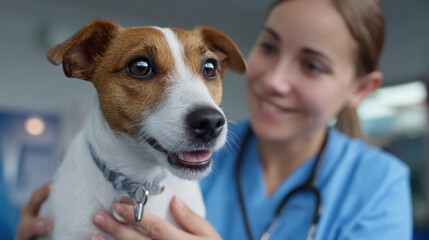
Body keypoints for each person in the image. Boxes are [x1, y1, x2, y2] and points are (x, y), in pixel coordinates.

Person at [16, 0, 412, 239]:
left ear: (360, 89)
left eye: (312, 65)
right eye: (269, 47)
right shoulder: (198, 158)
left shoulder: (380, 186)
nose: (274, 80)